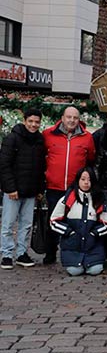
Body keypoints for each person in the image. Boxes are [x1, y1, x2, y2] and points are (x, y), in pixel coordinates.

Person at [42, 106, 96, 264]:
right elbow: (41, 156)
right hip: (54, 186)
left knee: (76, 221)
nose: (72, 120)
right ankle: (50, 253)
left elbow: (91, 159)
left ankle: (75, 253)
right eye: (69, 117)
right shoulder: (48, 134)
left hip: (75, 188)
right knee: (53, 220)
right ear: (63, 118)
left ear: (79, 119)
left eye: (75, 118)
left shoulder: (87, 137)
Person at [0, 108, 46, 269]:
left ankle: (21, 253)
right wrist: (10, 188)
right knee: (8, 223)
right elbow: (4, 165)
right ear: (25, 120)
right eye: (31, 121)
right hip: (13, 190)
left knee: (26, 225)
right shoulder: (12, 138)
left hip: (31, 190)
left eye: (37, 122)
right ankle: (6, 254)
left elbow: (41, 167)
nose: (34, 125)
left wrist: (41, 189)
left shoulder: (40, 140)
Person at [49, 167, 107, 276]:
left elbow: (106, 223)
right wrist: (68, 232)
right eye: (83, 179)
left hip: (93, 245)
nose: (86, 183)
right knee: (75, 271)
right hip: (72, 245)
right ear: (78, 181)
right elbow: (54, 220)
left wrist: (94, 233)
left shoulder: (99, 199)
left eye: (89, 180)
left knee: (94, 270)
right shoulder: (67, 199)